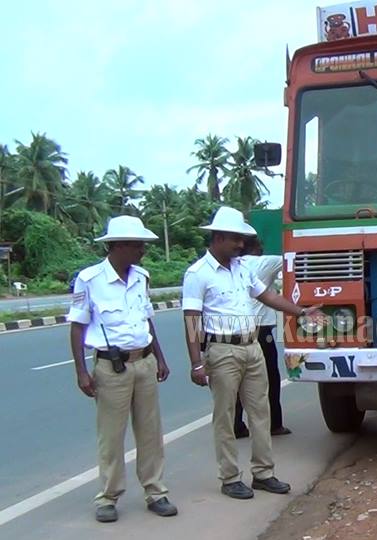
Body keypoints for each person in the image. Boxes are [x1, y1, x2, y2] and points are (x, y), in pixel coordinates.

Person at [181, 207, 322, 500]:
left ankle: (263, 473)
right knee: (226, 416)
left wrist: (300, 312)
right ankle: (230, 477)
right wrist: (196, 363)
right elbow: (191, 318)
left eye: (242, 239)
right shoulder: (198, 274)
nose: (240, 244)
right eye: (235, 239)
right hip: (222, 350)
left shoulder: (242, 268)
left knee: (261, 412)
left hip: (252, 346)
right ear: (218, 238)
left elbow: (268, 296)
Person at [67, 216, 177, 523]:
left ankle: (155, 491)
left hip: (144, 362)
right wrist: (81, 371)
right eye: (136, 245)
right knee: (111, 435)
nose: (142, 250)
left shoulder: (142, 277)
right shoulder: (89, 279)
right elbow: (77, 327)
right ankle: (108, 496)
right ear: (116, 246)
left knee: (150, 431)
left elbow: (147, 319)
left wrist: (160, 357)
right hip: (111, 366)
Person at [234, 236, 290, 438]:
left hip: (236, 331)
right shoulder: (264, 262)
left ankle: (236, 425)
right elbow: (290, 257)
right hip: (261, 331)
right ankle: (274, 424)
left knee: (237, 380)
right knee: (270, 379)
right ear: (256, 248)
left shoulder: (232, 266)